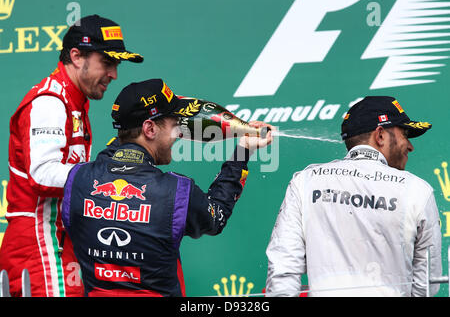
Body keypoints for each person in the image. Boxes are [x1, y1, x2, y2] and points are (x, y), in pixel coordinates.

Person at [61, 79, 273, 297]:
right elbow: (216, 217)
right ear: (150, 128)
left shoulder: (78, 178)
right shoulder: (176, 192)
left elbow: (113, 153)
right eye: (175, 125)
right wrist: (242, 152)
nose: (179, 134)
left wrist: (130, 134)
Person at [0, 14, 143, 297]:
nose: (114, 74)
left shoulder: (74, 102)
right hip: (38, 243)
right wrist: (105, 175)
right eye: (108, 62)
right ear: (77, 56)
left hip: (62, 243)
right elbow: (42, 175)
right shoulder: (49, 101)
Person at [265, 96, 442, 297]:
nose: (410, 146)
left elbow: (282, 270)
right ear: (381, 135)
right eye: (405, 134)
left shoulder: (305, 182)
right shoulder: (418, 190)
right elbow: (426, 284)